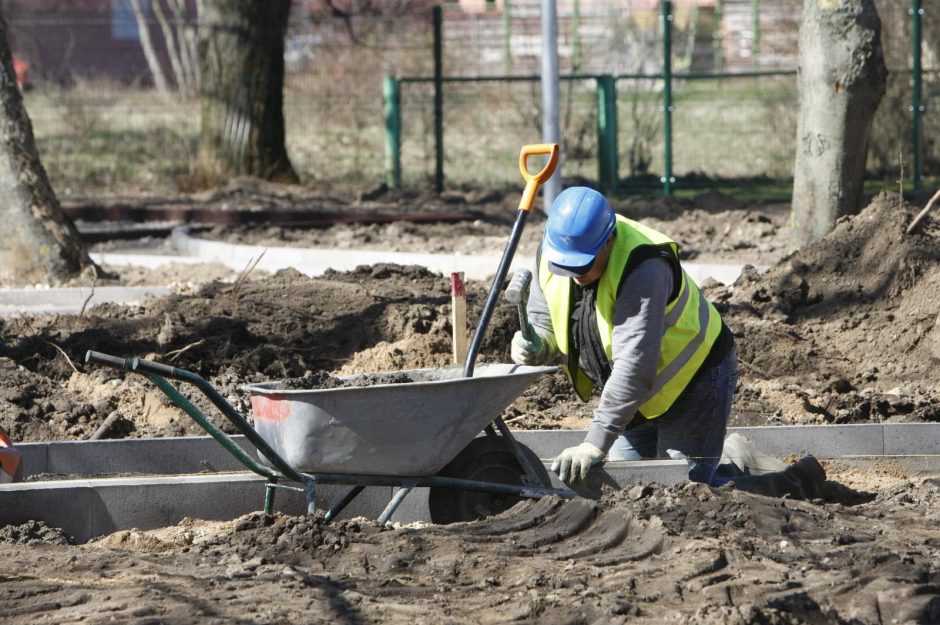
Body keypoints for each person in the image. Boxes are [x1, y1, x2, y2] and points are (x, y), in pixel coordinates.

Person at [512, 186, 825, 499]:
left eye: (582, 264)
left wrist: (594, 442)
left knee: (681, 494)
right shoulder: (557, 250)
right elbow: (547, 319)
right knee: (625, 491)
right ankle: (735, 455)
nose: (573, 273)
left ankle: (796, 481)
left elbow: (635, 367)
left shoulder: (643, 266)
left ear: (608, 240)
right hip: (638, 396)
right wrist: (538, 344)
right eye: (565, 265)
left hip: (695, 382)